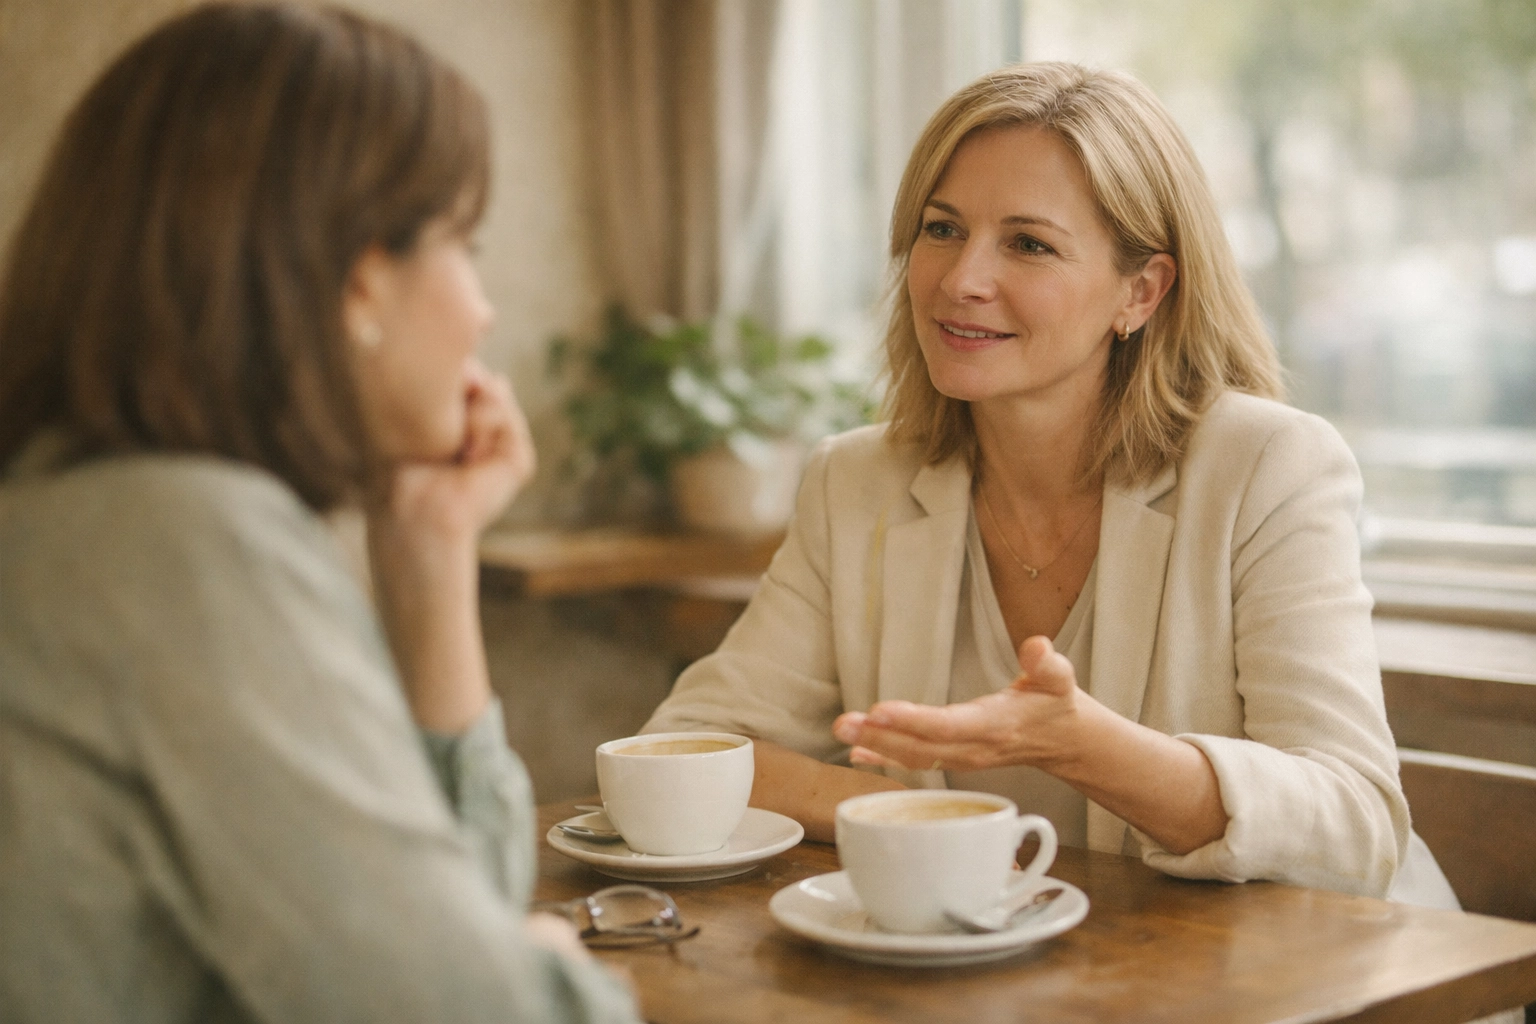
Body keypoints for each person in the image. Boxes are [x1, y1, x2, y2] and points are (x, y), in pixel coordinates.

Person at [642, 61, 1457, 908]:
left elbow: (1354, 826)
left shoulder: (1270, 467)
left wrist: (1084, 746)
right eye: (942, 228)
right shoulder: (855, 482)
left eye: (1027, 244)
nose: (961, 279)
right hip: (1035, 973)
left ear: (1140, 292)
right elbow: (689, 746)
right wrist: (907, 814)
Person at [0, 4, 640, 1022]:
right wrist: (555, 964)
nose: (482, 309)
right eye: (463, 243)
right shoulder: (181, 543)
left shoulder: (86, 508)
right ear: (359, 280)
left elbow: (438, 924)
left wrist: (429, 550)